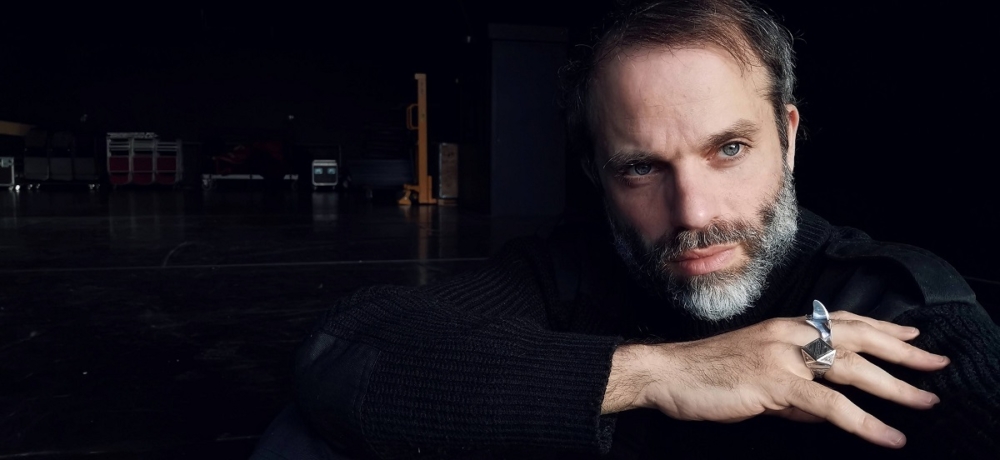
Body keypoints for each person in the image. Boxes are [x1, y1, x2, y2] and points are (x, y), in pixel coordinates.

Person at [252, 1, 1000, 458]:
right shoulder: (568, 273)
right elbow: (346, 350)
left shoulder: (884, 297)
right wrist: (661, 375)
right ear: (597, 173)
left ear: (789, 137)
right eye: (641, 167)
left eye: (729, 149)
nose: (694, 213)